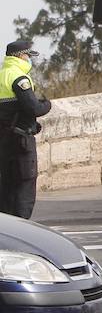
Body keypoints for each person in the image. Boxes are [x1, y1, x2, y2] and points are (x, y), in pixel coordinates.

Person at [0, 39, 52, 219]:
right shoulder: (19, 78)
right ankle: (22, 228)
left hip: (3, 143)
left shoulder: (2, 75)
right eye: (28, 55)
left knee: (7, 186)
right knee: (25, 184)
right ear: (21, 56)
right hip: (21, 143)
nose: (29, 59)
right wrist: (47, 104)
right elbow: (34, 108)